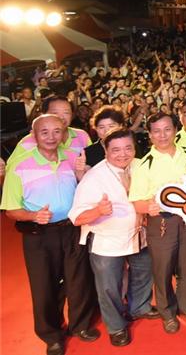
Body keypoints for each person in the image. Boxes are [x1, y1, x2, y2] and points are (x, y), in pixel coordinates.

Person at [1, 114, 97, 355]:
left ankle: (80, 326)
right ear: (34, 135)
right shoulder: (19, 165)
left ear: (64, 134)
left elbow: (83, 188)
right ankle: (52, 335)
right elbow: (11, 209)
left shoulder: (71, 158)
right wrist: (33, 216)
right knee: (44, 285)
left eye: (57, 131)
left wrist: (79, 175)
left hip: (72, 228)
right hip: (39, 235)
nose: (52, 137)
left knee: (78, 280)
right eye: (45, 132)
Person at [68, 129, 158, 347]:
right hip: (107, 240)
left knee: (144, 272)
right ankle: (116, 326)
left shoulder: (140, 165)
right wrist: (98, 211)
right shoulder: (94, 177)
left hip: (138, 234)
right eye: (115, 150)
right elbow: (77, 218)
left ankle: (140, 307)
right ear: (105, 150)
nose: (123, 154)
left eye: (128, 148)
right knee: (109, 287)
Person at [129, 113, 186, 333]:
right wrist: (148, 207)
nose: (163, 135)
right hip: (160, 224)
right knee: (162, 271)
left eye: (167, 129)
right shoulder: (145, 164)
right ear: (150, 135)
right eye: (157, 131)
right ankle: (167, 312)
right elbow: (136, 202)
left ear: (175, 129)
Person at [7, 95, 91, 165]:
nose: (61, 117)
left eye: (66, 113)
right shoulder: (27, 142)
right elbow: (12, 169)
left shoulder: (82, 136)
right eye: (55, 113)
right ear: (43, 114)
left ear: (72, 115)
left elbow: (92, 163)